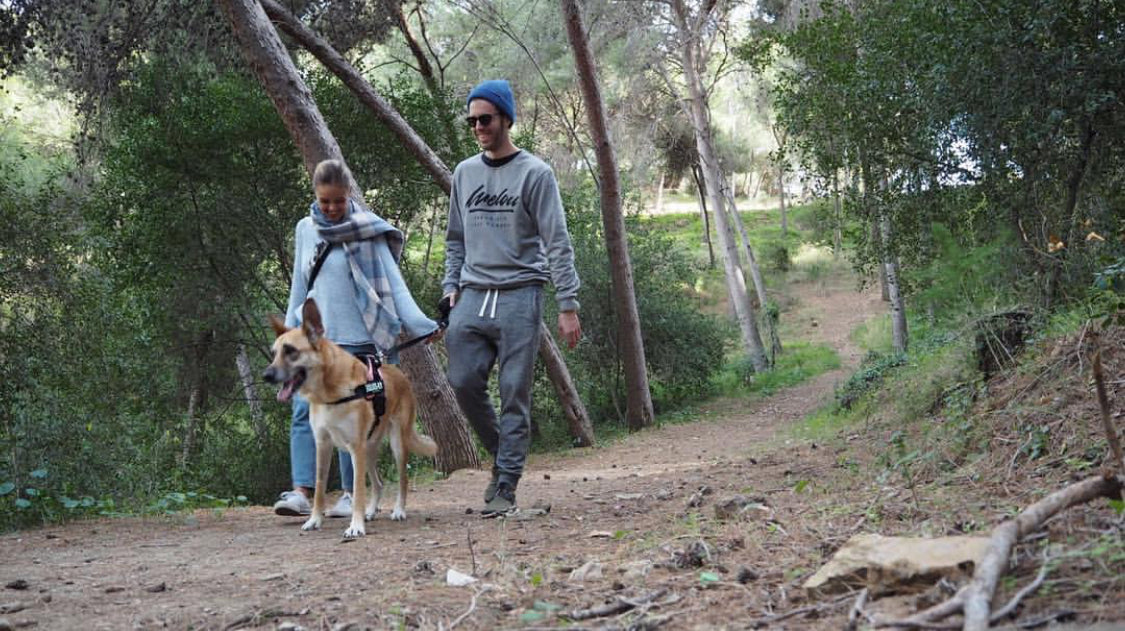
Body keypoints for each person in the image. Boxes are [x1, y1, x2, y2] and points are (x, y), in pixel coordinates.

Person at [441, 79, 582, 518]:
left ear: (506, 119)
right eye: (472, 121)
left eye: (486, 119)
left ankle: (505, 484)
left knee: (513, 391)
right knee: (462, 381)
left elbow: (556, 241)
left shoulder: (535, 173)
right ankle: (504, 455)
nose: (479, 127)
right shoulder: (464, 173)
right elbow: (454, 239)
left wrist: (568, 304)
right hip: (472, 294)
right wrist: (450, 287)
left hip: (521, 295)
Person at [273, 159, 438, 518]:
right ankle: (301, 492)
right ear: (315, 196)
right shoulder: (306, 229)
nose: (331, 209)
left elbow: (394, 285)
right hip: (317, 342)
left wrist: (423, 325)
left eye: (338, 201)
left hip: (361, 341)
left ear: (349, 195)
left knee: (356, 418)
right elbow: (300, 288)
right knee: (305, 410)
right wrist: (288, 337)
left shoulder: (368, 230)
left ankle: (352, 493)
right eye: (325, 201)